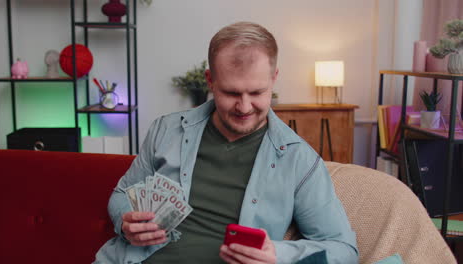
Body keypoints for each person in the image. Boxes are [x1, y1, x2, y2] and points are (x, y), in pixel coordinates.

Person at [95, 21, 358, 264]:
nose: (244, 107)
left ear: (273, 78)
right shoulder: (166, 130)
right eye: (231, 93)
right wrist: (125, 221)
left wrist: (278, 254)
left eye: (257, 92)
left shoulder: (298, 159)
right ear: (210, 80)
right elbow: (121, 194)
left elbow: (343, 249)